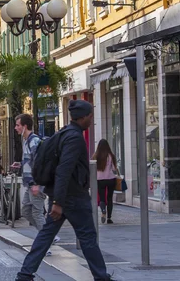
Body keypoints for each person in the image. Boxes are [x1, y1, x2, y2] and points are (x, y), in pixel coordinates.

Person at [16, 100, 111, 281]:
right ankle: (101, 277)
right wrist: (58, 202)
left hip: (62, 195)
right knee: (88, 238)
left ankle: (24, 274)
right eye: (90, 116)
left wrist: (56, 199)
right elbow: (64, 170)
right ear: (83, 117)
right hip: (73, 197)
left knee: (45, 237)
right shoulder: (74, 138)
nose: (91, 119)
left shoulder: (63, 134)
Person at [15, 114, 60, 254]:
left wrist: (37, 183)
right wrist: (20, 164)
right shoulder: (26, 141)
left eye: (17, 125)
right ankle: (49, 236)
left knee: (37, 212)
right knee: (26, 211)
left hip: (35, 184)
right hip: (30, 183)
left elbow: (39, 163)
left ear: (25, 126)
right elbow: (31, 161)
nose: (15, 128)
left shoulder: (34, 141)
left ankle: (46, 242)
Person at [93, 139, 117, 225]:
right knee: (109, 198)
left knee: (102, 198)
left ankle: (103, 210)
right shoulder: (110, 155)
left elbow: (93, 168)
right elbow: (114, 169)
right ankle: (109, 218)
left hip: (100, 180)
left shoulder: (96, 156)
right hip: (111, 179)